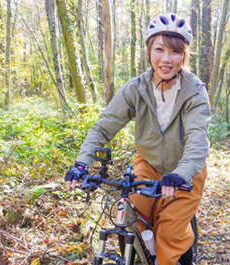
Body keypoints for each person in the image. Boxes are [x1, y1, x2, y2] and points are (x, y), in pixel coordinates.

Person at [64, 13, 211, 265]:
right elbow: (103, 127)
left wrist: (181, 174)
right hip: (148, 164)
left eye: (175, 52)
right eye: (159, 49)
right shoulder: (136, 88)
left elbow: (198, 139)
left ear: (184, 56)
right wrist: (81, 164)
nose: (166, 59)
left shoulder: (194, 91)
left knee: (169, 235)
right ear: (148, 51)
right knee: (127, 216)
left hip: (185, 172)